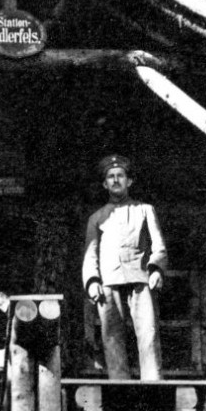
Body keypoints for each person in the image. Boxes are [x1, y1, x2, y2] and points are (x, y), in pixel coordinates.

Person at [82, 155, 168, 381]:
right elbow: (90, 254)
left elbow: (158, 245)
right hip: (109, 281)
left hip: (140, 279)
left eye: (120, 176)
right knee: (111, 337)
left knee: (148, 334)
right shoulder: (96, 218)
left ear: (129, 181)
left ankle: (152, 382)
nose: (116, 180)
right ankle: (119, 385)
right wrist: (92, 281)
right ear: (104, 184)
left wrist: (156, 269)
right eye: (111, 177)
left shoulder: (145, 210)